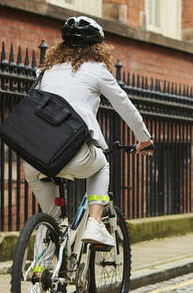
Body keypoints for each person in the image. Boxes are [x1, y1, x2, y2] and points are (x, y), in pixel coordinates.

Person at [23, 16, 154, 251]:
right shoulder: (96, 70)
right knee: (102, 165)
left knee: (51, 218)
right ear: (97, 48)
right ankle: (94, 223)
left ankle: (40, 275)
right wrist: (144, 139)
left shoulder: (44, 71)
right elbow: (125, 106)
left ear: (61, 47)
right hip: (73, 154)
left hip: (35, 158)